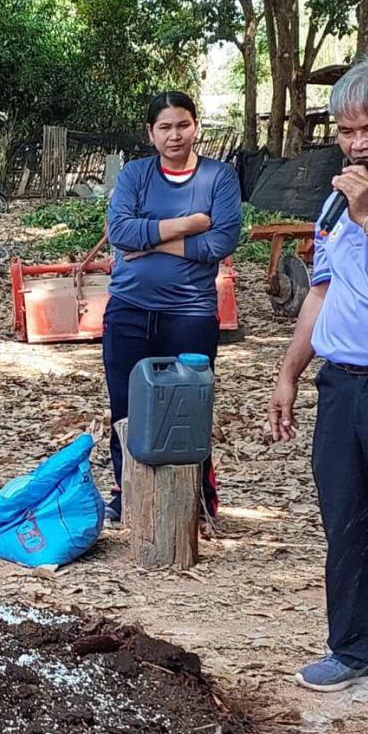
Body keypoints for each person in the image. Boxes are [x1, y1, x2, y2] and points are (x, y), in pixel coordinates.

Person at [269, 56, 368, 692]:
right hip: (341, 385)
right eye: (345, 130)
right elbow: (319, 292)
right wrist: (290, 372)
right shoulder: (335, 204)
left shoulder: (360, 205)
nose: (357, 142)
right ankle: (357, 649)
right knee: (347, 518)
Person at [103, 91, 241, 527]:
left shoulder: (218, 178)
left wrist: (154, 241)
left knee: (187, 408)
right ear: (151, 133)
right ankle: (128, 496)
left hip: (191, 313)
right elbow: (120, 232)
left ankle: (197, 501)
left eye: (182, 125)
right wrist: (188, 225)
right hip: (128, 310)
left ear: (195, 126)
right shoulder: (135, 175)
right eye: (164, 127)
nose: (174, 135)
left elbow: (221, 242)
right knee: (125, 407)